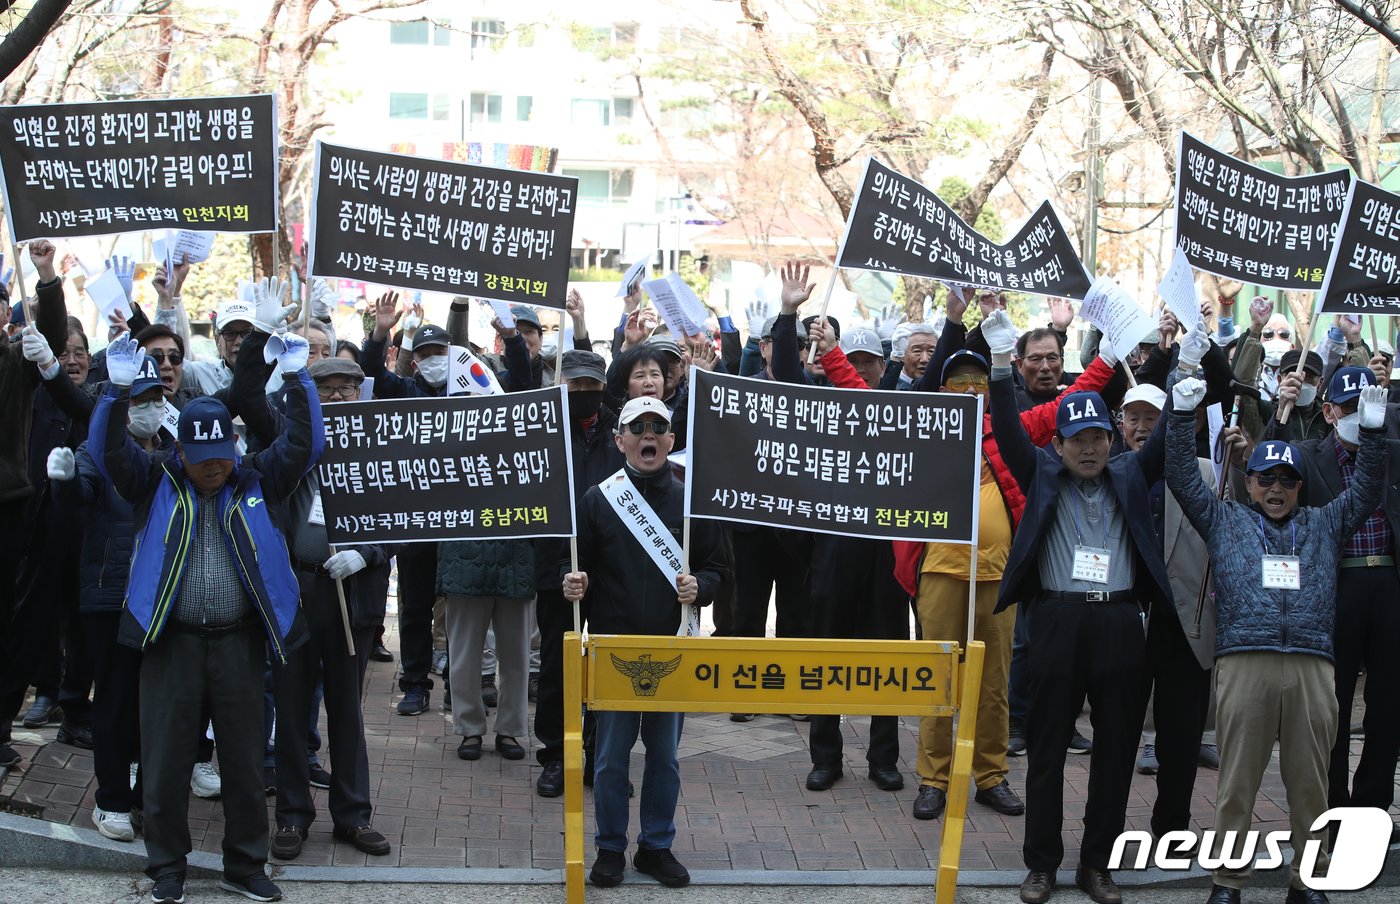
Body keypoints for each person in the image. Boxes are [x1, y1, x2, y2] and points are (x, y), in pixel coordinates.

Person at [92, 331, 321, 904]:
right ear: (182, 453)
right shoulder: (157, 480)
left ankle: (245, 866)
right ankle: (167, 868)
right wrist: (113, 394)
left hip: (240, 644)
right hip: (171, 643)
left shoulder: (255, 479)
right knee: (166, 763)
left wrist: (298, 379)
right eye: (201, 460)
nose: (212, 468)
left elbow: (306, 444)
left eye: (221, 456)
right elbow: (107, 453)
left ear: (234, 448)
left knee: (244, 765)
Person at [1167, 376, 1387, 904]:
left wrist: (1374, 433)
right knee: (1237, 783)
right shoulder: (1225, 520)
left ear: (1299, 486)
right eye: (1265, 479)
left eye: (1286, 480)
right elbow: (1179, 473)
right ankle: (1228, 881)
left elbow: (1368, 486)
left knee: (1310, 783)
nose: (1275, 490)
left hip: (1313, 665)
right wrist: (1179, 414)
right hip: (1245, 663)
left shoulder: (1325, 523)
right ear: (1249, 483)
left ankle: (1308, 879)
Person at [985, 306, 1172, 904]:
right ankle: (1041, 864)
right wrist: (994, 365)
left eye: (1097, 436)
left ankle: (1098, 865)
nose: (1088, 448)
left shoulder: (1129, 475)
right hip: (1059, 621)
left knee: (1115, 750)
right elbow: (1009, 432)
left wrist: (1182, 370)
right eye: (1076, 439)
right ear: (1058, 442)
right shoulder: (1040, 473)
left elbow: (1164, 441)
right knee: (1045, 747)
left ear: (1111, 437)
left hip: (1120, 622)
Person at [563, 396, 729, 889]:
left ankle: (656, 846)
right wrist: (572, 585)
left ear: (672, 440)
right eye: (638, 428)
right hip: (614, 651)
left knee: (666, 758)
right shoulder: (597, 499)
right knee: (611, 757)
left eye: (659, 427)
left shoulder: (691, 501)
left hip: (673, 649)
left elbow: (720, 569)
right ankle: (610, 848)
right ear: (620, 441)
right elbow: (573, 570)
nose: (649, 435)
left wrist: (703, 586)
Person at [269, 355, 393, 862]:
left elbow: (403, 524)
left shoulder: (379, 455)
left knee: (346, 709)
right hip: (297, 590)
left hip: (353, 597)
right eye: (328, 389)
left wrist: (364, 553)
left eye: (347, 388)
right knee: (293, 708)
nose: (339, 397)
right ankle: (293, 816)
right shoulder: (290, 448)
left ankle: (353, 814)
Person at [44, 355, 168, 841]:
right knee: (115, 701)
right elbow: (77, 499)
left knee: (154, 698)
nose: (150, 408)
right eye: (139, 400)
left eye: (156, 398)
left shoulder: (175, 452)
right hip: (110, 596)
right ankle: (112, 800)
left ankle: (141, 793)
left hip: (161, 596)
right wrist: (66, 480)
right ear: (121, 406)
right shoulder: (94, 453)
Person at [1289, 367, 1400, 844]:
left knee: (1390, 703)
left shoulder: (1393, 452)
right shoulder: (1310, 458)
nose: (1360, 416)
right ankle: (1330, 807)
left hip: (1390, 584)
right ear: (1330, 412)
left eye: (1367, 406)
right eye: (1350, 408)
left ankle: (1371, 807)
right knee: (1327, 704)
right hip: (1336, 589)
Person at [1114, 378, 1220, 838]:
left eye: (1152, 418)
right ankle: (1107, 829)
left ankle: (1173, 827)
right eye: (1133, 417)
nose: (1141, 427)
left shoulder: (1205, 472)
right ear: (1120, 424)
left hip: (1185, 624)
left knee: (1181, 740)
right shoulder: (1109, 471)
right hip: (1124, 624)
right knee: (1117, 737)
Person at [534, 350, 624, 797]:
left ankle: (604, 757)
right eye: (575, 387)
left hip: (613, 570)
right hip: (558, 567)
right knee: (558, 665)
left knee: (610, 668)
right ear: (559, 385)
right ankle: (556, 755)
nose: (584, 395)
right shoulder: (541, 428)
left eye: (592, 386)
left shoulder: (623, 429)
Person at [0, 239, 67, 770]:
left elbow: (51, 337)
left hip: (8, 506)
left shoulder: (14, 359)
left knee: (8, 620)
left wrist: (45, 277)